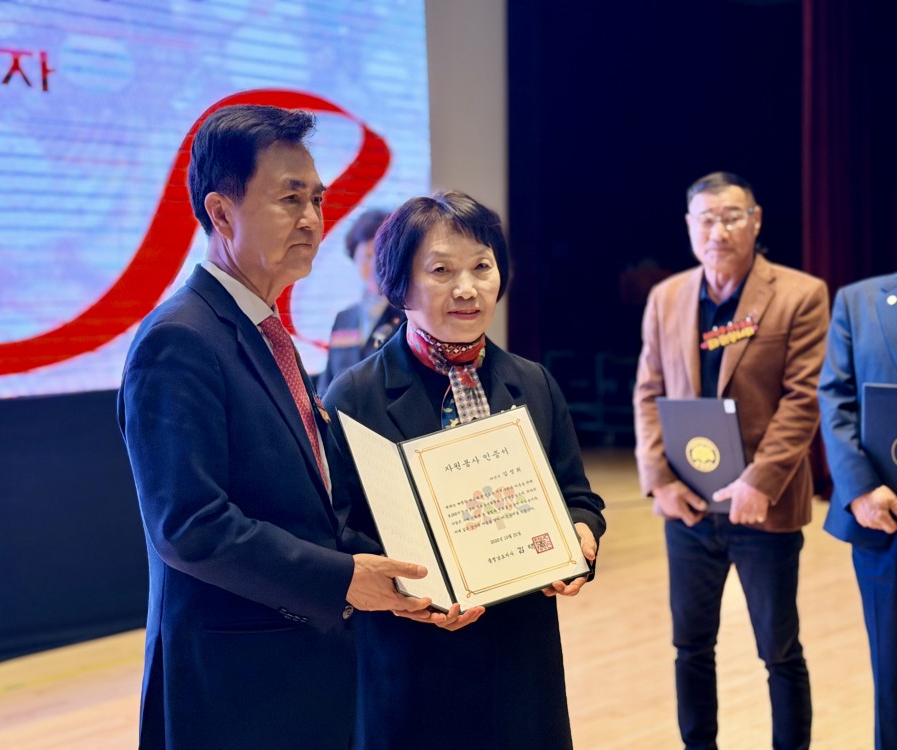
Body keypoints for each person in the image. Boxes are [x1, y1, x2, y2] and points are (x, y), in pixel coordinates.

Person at [117, 104, 436, 750]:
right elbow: (191, 526)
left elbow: (305, 502)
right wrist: (342, 579)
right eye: (290, 199)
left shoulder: (264, 330)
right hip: (234, 688)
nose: (312, 219)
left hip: (301, 671)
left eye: (317, 199)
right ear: (221, 213)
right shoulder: (180, 339)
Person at [323, 190, 606, 749]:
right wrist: (410, 586)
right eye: (441, 270)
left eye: (482, 266)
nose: (467, 288)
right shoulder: (354, 396)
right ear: (398, 283)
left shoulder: (532, 382)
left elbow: (578, 496)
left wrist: (580, 535)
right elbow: (336, 528)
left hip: (519, 657)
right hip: (411, 659)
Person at [632, 171, 829, 750]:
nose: (718, 231)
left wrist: (760, 481)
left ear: (756, 220)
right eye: (706, 219)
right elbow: (648, 391)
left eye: (731, 217)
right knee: (690, 646)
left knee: (779, 650)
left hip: (762, 507)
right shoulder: (667, 297)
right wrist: (659, 481)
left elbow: (803, 398)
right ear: (689, 226)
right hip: (688, 505)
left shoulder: (800, 294)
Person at [818, 273, 897, 750]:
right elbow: (836, 400)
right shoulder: (859, 301)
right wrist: (861, 489)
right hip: (886, 521)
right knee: (893, 675)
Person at [317, 208, 404, 395]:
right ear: (354, 257)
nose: (375, 266)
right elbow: (326, 384)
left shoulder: (407, 315)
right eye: (367, 256)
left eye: (381, 256)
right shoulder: (343, 318)